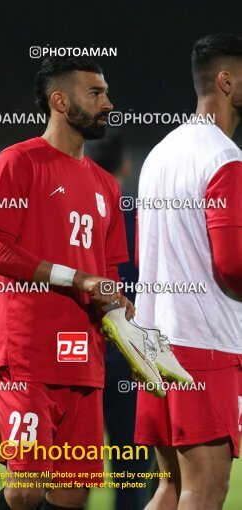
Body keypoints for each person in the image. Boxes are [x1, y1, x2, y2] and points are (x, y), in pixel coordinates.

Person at [0, 56, 137, 510]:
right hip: (27, 354)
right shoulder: (18, 162)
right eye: (96, 93)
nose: (109, 102)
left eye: (106, 92)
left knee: (72, 495)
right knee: (26, 489)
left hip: (84, 357)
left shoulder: (107, 186)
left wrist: (121, 312)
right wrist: (79, 278)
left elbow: (106, 274)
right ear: (60, 100)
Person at [134, 33, 242, 510]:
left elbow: (144, 251)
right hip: (204, 344)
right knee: (206, 488)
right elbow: (233, 264)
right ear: (226, 81)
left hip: (154, 340)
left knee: (172, 486)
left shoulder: (159, 153)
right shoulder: (224, 157)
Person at [87, 131, 154, 510]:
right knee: (131, 475)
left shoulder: (71, 217)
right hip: (129, 358)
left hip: (77, 357)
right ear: (125, 167)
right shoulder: (140, 216)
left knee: (65, 474)